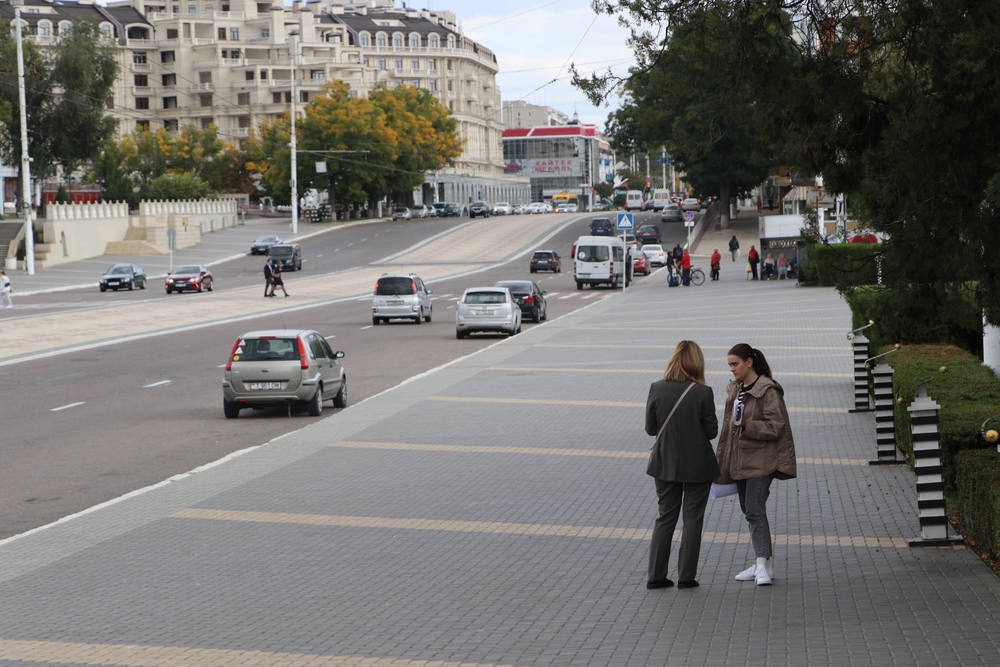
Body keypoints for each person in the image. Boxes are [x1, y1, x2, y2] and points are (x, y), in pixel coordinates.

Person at [715, 344, 797, 586]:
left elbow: (776, 426)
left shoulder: (768, 390)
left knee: (754, 510)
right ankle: (765, 565)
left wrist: (747, 425)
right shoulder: (735, 388)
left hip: (762, 461)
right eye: (729, 365)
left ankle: (761, 565)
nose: (732, 369)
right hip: (739, 460)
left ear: (749, 362)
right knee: (749, 511)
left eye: (735, 364)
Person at [644, 340, 719, 590]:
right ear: (697, 363)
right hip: (697, 465)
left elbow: (650, 429)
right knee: (693, 519)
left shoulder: (656, 388)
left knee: (666, 517)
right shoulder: (702, 392)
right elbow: (711, 431)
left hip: (664, 463)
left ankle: (656, 576)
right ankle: (686, 578)